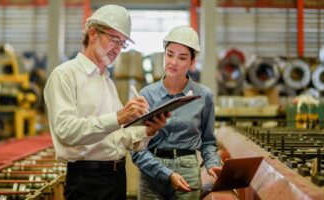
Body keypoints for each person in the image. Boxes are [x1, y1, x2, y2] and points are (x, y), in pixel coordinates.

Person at [43, 5, 169, 200]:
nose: (118, 49)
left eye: (122, 43)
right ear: (92, 34)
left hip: (116, 176)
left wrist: (147, 130)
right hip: (87, 180)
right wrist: (119, 117)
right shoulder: (65, 75)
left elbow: (116, 137)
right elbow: (66, 132)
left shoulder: (106, 80)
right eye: (114, 39)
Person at [131, 25, 222, 200]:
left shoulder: (204, 96)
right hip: (151, 171)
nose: (173, 62)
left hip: (188, 172)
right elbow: (136, 147)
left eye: (182, 58)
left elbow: (208, 141)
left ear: (192, 62)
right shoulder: (146, 95)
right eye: (169, 54)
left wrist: (212, 163)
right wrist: (167, 174)